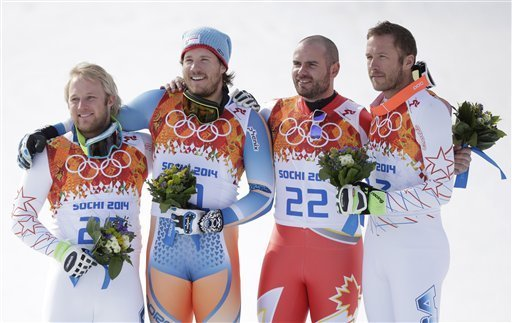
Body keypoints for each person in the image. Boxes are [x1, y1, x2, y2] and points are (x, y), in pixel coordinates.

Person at [16, 26, 275, 322]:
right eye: (188, 60)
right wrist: (47, 132)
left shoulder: (246, 119)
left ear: (223, 65)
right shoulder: (160, 102)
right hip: (164, 260)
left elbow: (264, 195)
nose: (194, 67)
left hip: (217, 257)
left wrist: (217, 219)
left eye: (205, 59)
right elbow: (98, 112)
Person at [11, 62, 152, 322]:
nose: (81, 107)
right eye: (74, 99)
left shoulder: (140, 147)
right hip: (67, 288)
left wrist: (245, 111)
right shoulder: (48, 152)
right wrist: (60, 251)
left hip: (122, 289)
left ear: (110, 100)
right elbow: (20, 219)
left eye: (90, 98)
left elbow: (187, 147)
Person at [342, 21, 456, 322]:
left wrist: (373, 202)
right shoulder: (380, 109)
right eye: (368, 57)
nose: (373, 66)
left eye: (382, 57)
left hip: (416, 249)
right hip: (378, 245)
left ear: (408, 61)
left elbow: (440, 191)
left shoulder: (427, 109)